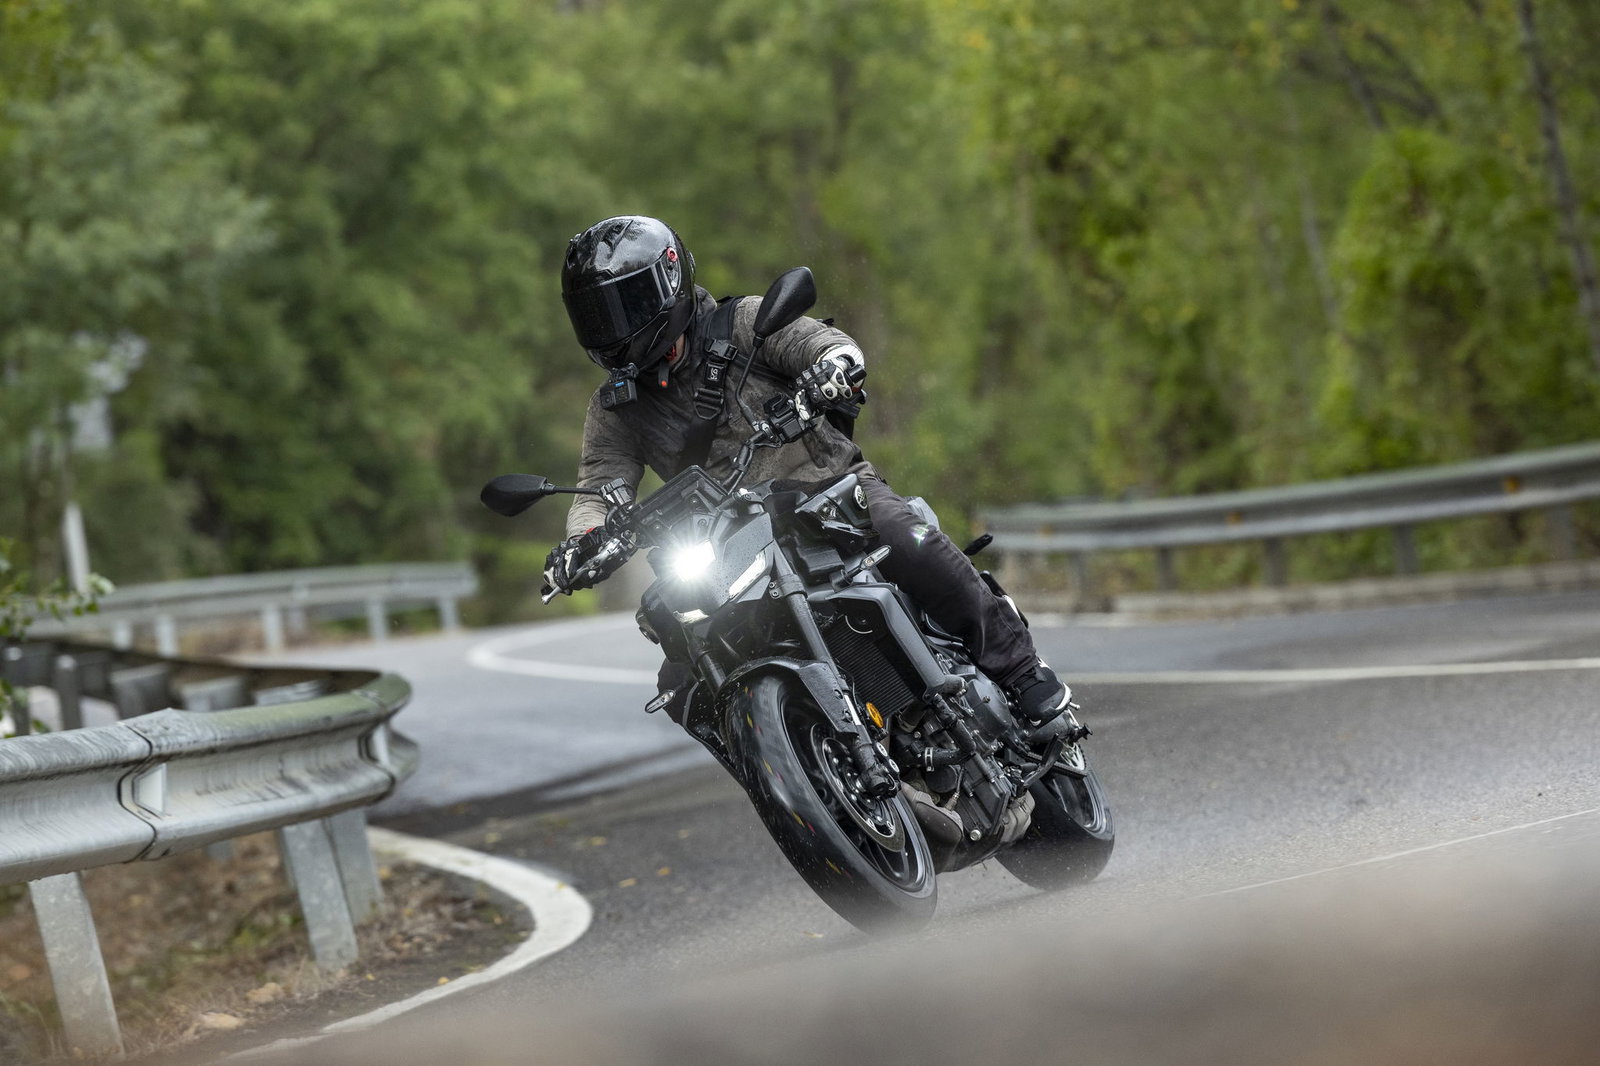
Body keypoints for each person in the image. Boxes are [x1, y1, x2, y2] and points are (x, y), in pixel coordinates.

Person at [545, 214, 1074, 731]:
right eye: (597, 316)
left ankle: (1023, 672)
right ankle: (783, 773)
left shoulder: (747, 323)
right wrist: (584, 542)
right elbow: (599, 487)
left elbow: (822, 345)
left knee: (908, 538)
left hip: (830, 493)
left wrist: (833, 370)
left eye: (625, 306)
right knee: (682, 678)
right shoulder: (614, 407)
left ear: (669, 280)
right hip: (728, 548)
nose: (613, 328)